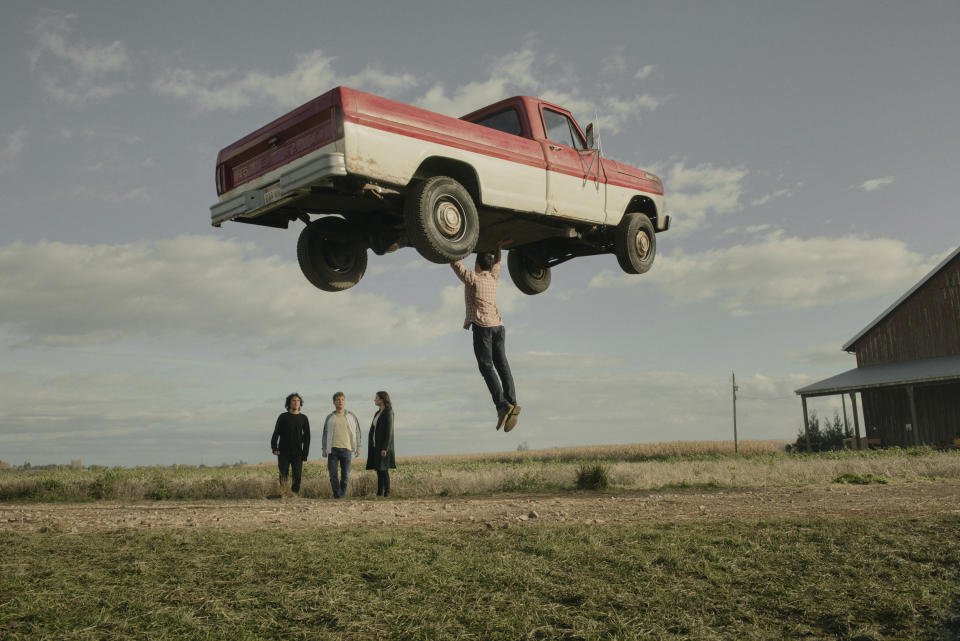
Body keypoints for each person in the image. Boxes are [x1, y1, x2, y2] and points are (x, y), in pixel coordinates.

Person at [451, 242, 521, 432]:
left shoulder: (473, 279)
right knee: (502, 364)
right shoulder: (494, 277)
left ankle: (502, 406)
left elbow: (455, 263)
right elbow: (498, 262)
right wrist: (497, 246)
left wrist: (446, 247)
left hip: (483, 328)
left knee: (486, 366)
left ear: (478, 265)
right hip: (499, 326)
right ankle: (512, 402)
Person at [321, 392, 361, 499]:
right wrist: (324, 449)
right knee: (333, 475)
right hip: (332, 449)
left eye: (342, 399)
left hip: (347, 449)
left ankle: (340, 495)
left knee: (346, 476)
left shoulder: (351, 416)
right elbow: (325, 433)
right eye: (338, 400)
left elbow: (357, 432)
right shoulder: (330, 417)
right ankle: (338, 495)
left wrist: (358, 447)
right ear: (334, 402)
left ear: (344, 401)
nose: (340, 402)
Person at [270, 392, 310, 498]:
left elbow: (307, 437)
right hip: (283, 451)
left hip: (298, 452)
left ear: (300, 403)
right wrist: (274, 448)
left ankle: (293, 494)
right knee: (283, 474)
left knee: (297, 476)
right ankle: (283, 493)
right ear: (289, 403)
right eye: (293, 400)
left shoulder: (303, 418)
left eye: (298, 401)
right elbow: (276, 432)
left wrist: (305, 453)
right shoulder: (283, 416)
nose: (296, 403)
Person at [365, 390, 396, 497]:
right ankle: (379, 493)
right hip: (375, 445)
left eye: (376, 398)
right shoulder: (377, 413)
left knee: (384, 469)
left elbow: (389, 432)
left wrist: (385, 448)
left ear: (382, 399)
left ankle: (387, 492)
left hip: (383, 447)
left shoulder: (388, 412)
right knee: (378, 469)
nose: (375, 400)